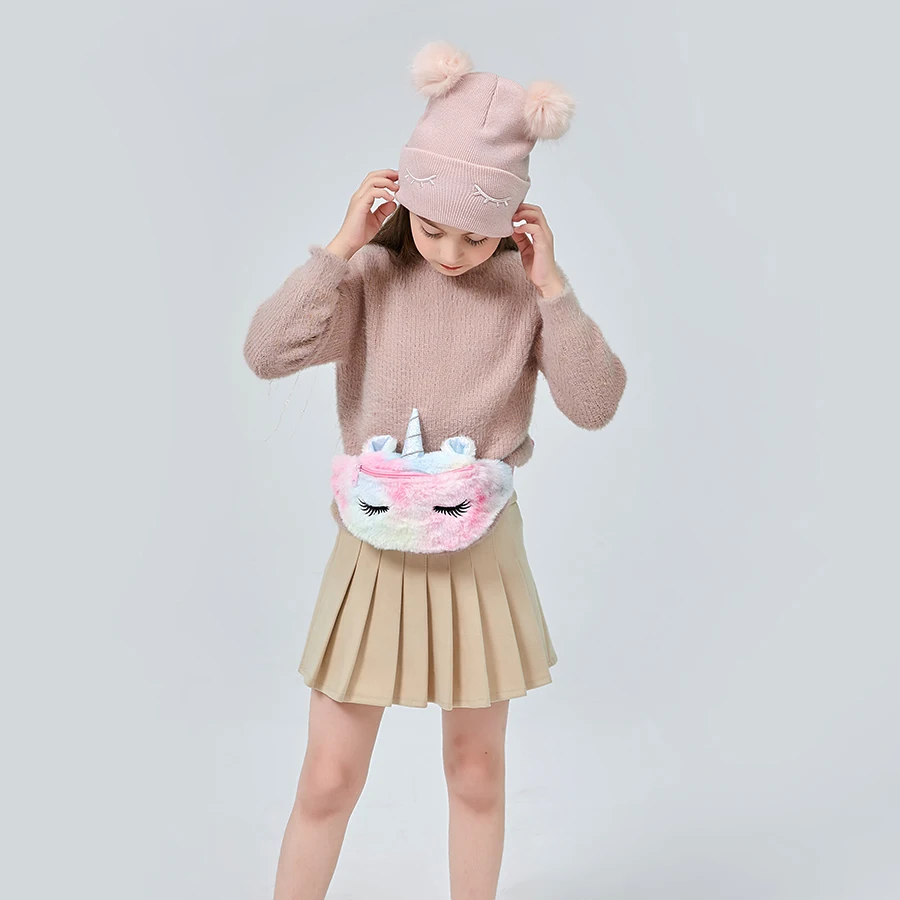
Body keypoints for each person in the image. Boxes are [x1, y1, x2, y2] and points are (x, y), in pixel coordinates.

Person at [242, 40, 627, 900]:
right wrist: (340, 248)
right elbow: (266, 353)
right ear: (404, 202)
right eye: (432, 227)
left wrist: (555, 291)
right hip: (373, 546)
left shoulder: (524, 295)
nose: (452, 252)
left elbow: (596, 402)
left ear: (513, 221)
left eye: (477, 233)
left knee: (477, 773)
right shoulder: (372, 276)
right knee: (328, 778)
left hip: (478, 547)